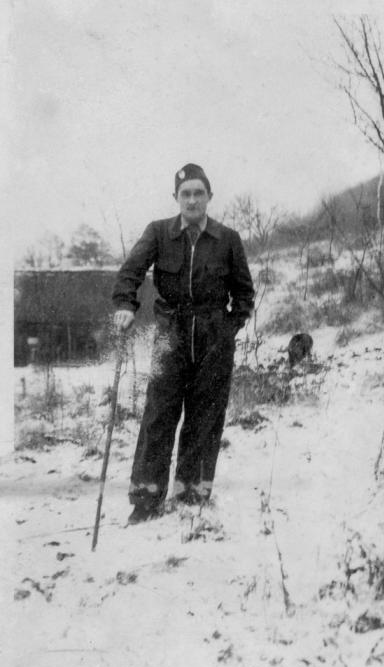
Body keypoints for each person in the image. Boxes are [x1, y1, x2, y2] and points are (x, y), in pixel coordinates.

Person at [112, 163, 255, 524]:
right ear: (176, 198)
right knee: (159, 412)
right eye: (185, 194)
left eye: (198, 193)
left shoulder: (228, 239)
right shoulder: (158, 233)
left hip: (213, 337)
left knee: (205, 415)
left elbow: (244, 293)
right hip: (170, 333)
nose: (192, 200)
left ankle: (192, 492)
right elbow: (130, 272)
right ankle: (146, 497)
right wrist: (126, 305)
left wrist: (227, 329)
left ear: (209, 197)